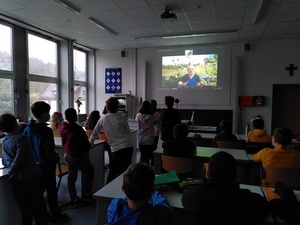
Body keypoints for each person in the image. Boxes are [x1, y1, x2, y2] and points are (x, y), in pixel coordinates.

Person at [181, 151, 269, 225]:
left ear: (208, 173)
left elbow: (184, 186)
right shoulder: (248, 201)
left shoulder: (192, 196)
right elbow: (263, 207)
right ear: (235, 176)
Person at [23, 101, 68, 224]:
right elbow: (48, 151)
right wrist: (55, 158)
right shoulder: (46, 131)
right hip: (46, 167)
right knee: (51, 193)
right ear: (43, 114)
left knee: (39, 193)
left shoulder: (27, 129)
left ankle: (43, 215)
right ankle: (56, 215)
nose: (49, 115)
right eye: (47, 112)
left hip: (33, 167)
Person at [0, 113, 49, 225]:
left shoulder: (4, 141)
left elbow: (6, 160)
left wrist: (11, 171)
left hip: (17, 181)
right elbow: (19, 159)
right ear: (15, 124)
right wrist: (12, 169)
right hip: (32, 178)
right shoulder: (22, 138)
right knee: (39, 211)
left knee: (25, 212)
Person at [107, 163, 173, 225]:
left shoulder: (115, 207)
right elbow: (166, 207)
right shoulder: (158, 213)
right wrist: (154, 192)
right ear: (151, 193)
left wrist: (131, 189)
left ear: (123, 188)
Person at [89, 97, 133, 184]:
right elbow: (128, 130)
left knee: (113, 171)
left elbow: (94, 133)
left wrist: (90, 144)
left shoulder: (103, 119)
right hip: (127, 146)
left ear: (107, 107)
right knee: (126, 171)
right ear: (117, 107)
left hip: (115, 148)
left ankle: (108, 191)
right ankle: (125, 189)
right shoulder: (121, 118)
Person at [61, 108, 95, 208]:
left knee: (72, 177)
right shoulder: (78, 129)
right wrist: (85, 151)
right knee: (90, 171)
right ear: (75, 117)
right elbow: (85, 144)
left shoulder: (64, 128)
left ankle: (74, 198)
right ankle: (86, 194)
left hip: (67, 155)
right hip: (77, 156)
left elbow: (63, 143)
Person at [135, 100, 157, 166]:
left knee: (143, 155)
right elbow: (155, 122)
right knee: (149, 155)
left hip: (141, 139)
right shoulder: (152, 116)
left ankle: (143, 168)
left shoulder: (138, 115)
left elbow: (136, 120)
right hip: (149, 140)